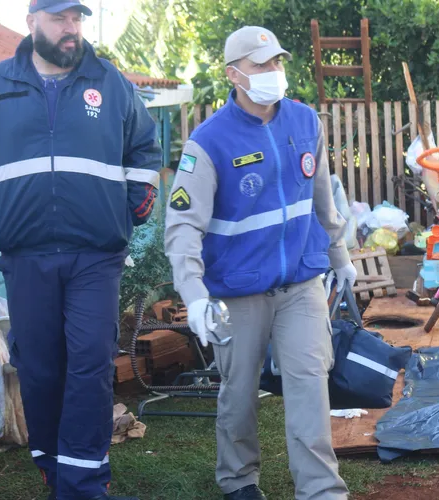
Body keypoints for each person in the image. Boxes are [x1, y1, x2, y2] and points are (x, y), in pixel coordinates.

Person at [0, 1, 160, 499]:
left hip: (96, 253)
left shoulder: (109, 83)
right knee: (39, 368)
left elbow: (145, 151)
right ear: (32, 23)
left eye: (77, 19)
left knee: (89, 361)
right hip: (26, 256)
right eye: (60, 18)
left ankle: (84, 486)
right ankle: (53, 468)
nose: (71, 29)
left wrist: (135, 206)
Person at [164, 26, 357, 500]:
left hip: (301, 284)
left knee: (310, 384)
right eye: (261, 65)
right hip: (237, 290)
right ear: (234, 75)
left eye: (277, 63)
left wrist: (341, 258)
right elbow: (183, 227)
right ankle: (239, 481)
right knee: (239, 392)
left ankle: (321, 490)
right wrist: (194, 295)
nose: (274, 72)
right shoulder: (207, 143)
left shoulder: (306, 122)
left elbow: (322, 201)